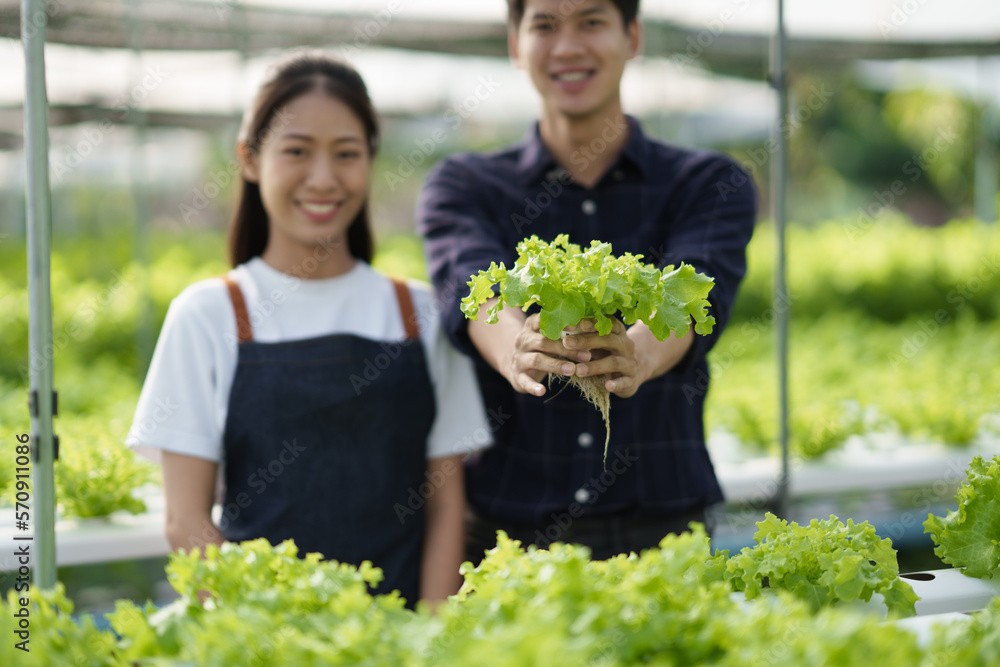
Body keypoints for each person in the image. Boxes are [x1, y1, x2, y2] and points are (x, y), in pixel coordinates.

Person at [127, 52, 490, 607]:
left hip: (402, 639)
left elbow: (445, 506)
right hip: (257, 636)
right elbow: (186, 522)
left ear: (370, 161)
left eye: (346, 154)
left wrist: (434, 632)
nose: (323, 179)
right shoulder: (209, 314)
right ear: (249, 159)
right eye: (296, 151)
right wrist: (259, 636)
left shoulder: (420, 312)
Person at [417, 0, 757, 562]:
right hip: (508, 529)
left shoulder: (707, 182)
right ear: (515, 44)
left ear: (634, 36)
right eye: (545, 25)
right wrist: (517, 350)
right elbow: (470, 289)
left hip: (661, 523)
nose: (568, 46)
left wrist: (638, 356)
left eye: (591, 22)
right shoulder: (465, 185)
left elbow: (698, 295)